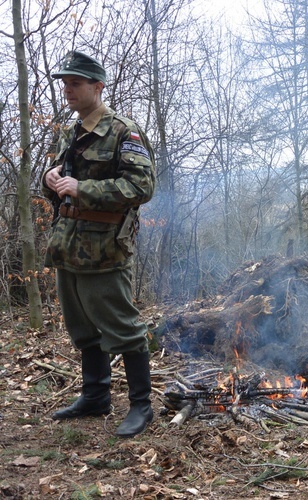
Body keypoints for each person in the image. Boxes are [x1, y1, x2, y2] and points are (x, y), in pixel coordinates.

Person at [41, 51, 156, 438]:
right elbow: (60, 183)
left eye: (75, 83)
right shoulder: (69, 131)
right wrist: (50, 179)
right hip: (68, 244)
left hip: (105, 248)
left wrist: (82, 188)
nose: (67, 89)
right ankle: (96, 397)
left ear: (97, 87)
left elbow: (142, 187)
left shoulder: (124, 131)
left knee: (122, 328)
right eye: (65, 83)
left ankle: (142, 406)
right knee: (83, 328)